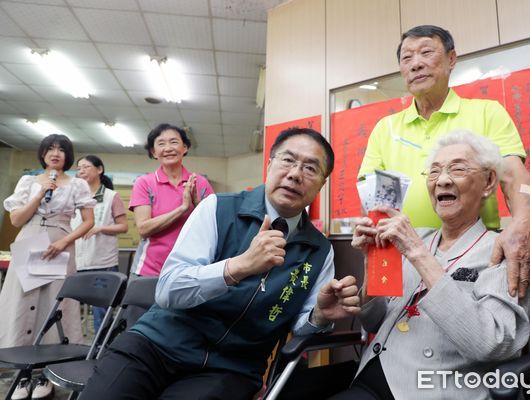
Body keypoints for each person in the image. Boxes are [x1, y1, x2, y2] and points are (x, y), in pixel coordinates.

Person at [80, 128, 361, 400]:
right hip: (158, 344)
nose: (295, 174)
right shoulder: (218, 208)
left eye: (311, 168)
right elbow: (168, 290)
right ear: (270, 163)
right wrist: (239, 266)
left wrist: (320, 316)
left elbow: (301, 326)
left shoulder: (319, 250)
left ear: (322, 184)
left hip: (231, 368)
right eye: (288, 160)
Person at [337, 131, 530, 399]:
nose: (442, 180)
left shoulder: (500, 249)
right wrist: (372, 260)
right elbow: (373, 321)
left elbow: (489, 343)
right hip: (370, 375)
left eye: (458, 169)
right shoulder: (419, 239)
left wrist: (416, 252)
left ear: (488, 182)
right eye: (434, 172)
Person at [358, 25, 530, 298]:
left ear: (451, 59)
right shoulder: (387, 129)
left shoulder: (486, 112)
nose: (416, 64)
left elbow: (515, 176)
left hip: (472, 254)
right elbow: (378, 205)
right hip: (403, 260)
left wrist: (525, 224)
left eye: (426, 53)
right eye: (406, 58)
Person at [0, 134, 95, 400]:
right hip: (29, 241)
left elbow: (88, 221)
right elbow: (17, 219)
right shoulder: (28, 181)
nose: (55, 153)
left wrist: (64, 242)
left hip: (59, 245)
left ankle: (47, 373)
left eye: (61, 149)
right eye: (50, 148)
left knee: (55, 307)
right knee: (21, 304)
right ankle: (22, 375)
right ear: (42, 153)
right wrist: (40, 193)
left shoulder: (78, 184)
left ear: (68, 155)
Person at [129, 123, 214, 276]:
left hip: (190, 269)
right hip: (150, 271)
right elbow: (143, 229)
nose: (168, 148)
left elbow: (213, 227)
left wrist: (197, 205)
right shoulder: (144, 183)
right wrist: (182, 208)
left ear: (185, 148)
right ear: (154, 152)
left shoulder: (200, 183)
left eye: (174, 142)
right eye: (161, 144)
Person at [73, 155, 128, 333]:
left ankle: (100, 350)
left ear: (99, 169)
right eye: (79, 168)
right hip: (75, 260)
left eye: (86, 167)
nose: (81, 171)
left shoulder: (112, 196)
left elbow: (124, 226)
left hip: (102, 263)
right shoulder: (73, 196)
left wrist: (99, 228)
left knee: (101, 313)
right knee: (69, 308)